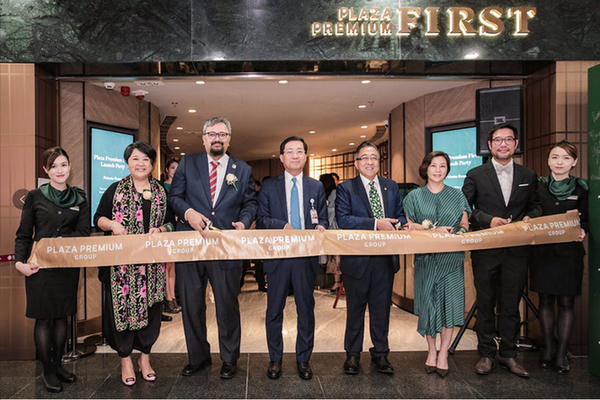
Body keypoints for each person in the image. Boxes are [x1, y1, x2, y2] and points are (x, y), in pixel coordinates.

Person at [169, 117, 258, 379]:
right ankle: (198, 357)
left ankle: (229, 359)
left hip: (225, 246)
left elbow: (250, 203)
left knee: (227, 304)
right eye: (212, 134)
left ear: (229, 139)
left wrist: (244, 222)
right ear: (203, 138)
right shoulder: (188, 163)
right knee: (192, 304)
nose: (217, 138)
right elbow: (174, 197)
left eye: (222, 134)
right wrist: (188, 213)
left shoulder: (242, 169)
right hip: (191, 245)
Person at [462, 123, 542, 378]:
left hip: (517, 251)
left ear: (516, 144)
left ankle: (508, 354)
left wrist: (531, 217)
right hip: (486, 251)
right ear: (490, 145)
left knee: (510, 305)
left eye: (508, 139)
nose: (503, 144)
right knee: (485, 304)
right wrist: (488, 220)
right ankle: (486, 354)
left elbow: (536, 205)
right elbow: (465, 208)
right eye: (498, 140)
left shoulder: (528, 175)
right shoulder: (475, 174)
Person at [95, 141, 172, 386]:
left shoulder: (161, 191)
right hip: (121, 269)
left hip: (152, 267)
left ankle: (145, 359)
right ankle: (126, 360)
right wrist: (112, 224)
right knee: (121, 314)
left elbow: (172, 222)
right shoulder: (115, 189)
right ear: (127, 163)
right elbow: (98, 218)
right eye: (135, 159)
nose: (140, 164)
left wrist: (161, 229)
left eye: (145, 159)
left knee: (152, 313)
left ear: (152, 164)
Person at [14, 147, 90, 393]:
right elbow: (24, 234)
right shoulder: (35, 196)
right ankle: (47, 369)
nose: (60, 170)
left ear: (70, 167)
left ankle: (58, 365)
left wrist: (61, 242)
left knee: (62, 317)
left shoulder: (79, 197)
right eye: (54, 166)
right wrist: (20, 263)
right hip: (40, 267)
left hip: (66, 266)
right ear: (46, 170)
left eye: (63, 165)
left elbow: (83, 232)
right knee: (44, 318)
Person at [257, 136, 328, 380]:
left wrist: (322, 227)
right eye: (290, 151)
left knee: (306, 310)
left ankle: (303, 359)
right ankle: (275, 359)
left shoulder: (316, 187)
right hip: (278, 256)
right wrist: (283, 225)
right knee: (274, 311)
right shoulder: (269, 186)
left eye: (299, 151)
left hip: (305, 257)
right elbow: (262, 219)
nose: (295, 155)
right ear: (281, 157)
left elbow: (322, 217)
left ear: (306, 156)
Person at [335, 141, 407, 375]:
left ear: (379, 162)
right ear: (356, 163)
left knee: (381, 311)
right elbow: (344, 220)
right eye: (364, 157)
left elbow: (400, 216)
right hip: (357, 261)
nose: (369, 162)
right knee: (355, 311)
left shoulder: (391, 186)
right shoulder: (346, 188)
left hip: (384, 260)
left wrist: (402, 224)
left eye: (373, 157)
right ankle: (352, 355)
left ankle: (381, 354)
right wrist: (377, 224)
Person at [403, 151, 470, 378]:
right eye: (433, 165)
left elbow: (464, 221)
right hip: (426, 259)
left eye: (443, 166)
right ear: (426, 168)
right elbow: (407, 225)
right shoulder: (414, 196)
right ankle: (431, 350)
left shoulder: (457, 195)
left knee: (449, 306)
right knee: (429, 306)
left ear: (447, 170)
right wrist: (431, 229)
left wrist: (461, 232)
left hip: (451, 259)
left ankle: (444, 353)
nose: (438, 170)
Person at [530, 141, 588, 374]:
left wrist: (582, 228)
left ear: (574, 162)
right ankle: (547, 349)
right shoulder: (538, 186)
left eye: (565, 158)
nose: (559, 162)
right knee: (544, 301)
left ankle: (562, 354)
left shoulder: (582, 188)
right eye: (555, 157)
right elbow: (532, 211)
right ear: (548, 161)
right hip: (543, 254)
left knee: (566, 303)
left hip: (569, 255)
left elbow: (588, 219)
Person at [161, 157, 182, 315]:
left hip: (178, 228)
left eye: (178, 168)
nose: (175, 170)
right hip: (165, 228)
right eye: (173, 167)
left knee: (173, 264)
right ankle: (168, 298)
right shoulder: (161, 187)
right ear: (167, 169)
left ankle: (173, 297)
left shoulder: (183, 186)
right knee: (167, 264)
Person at [319, 173, 341, 292]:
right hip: (332, 230)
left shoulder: (334, 194)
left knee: (336, 256)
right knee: (333, 256)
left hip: (334, 230)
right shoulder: (327, 194)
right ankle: (336, 282)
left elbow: (333, 212)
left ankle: (337, 283)